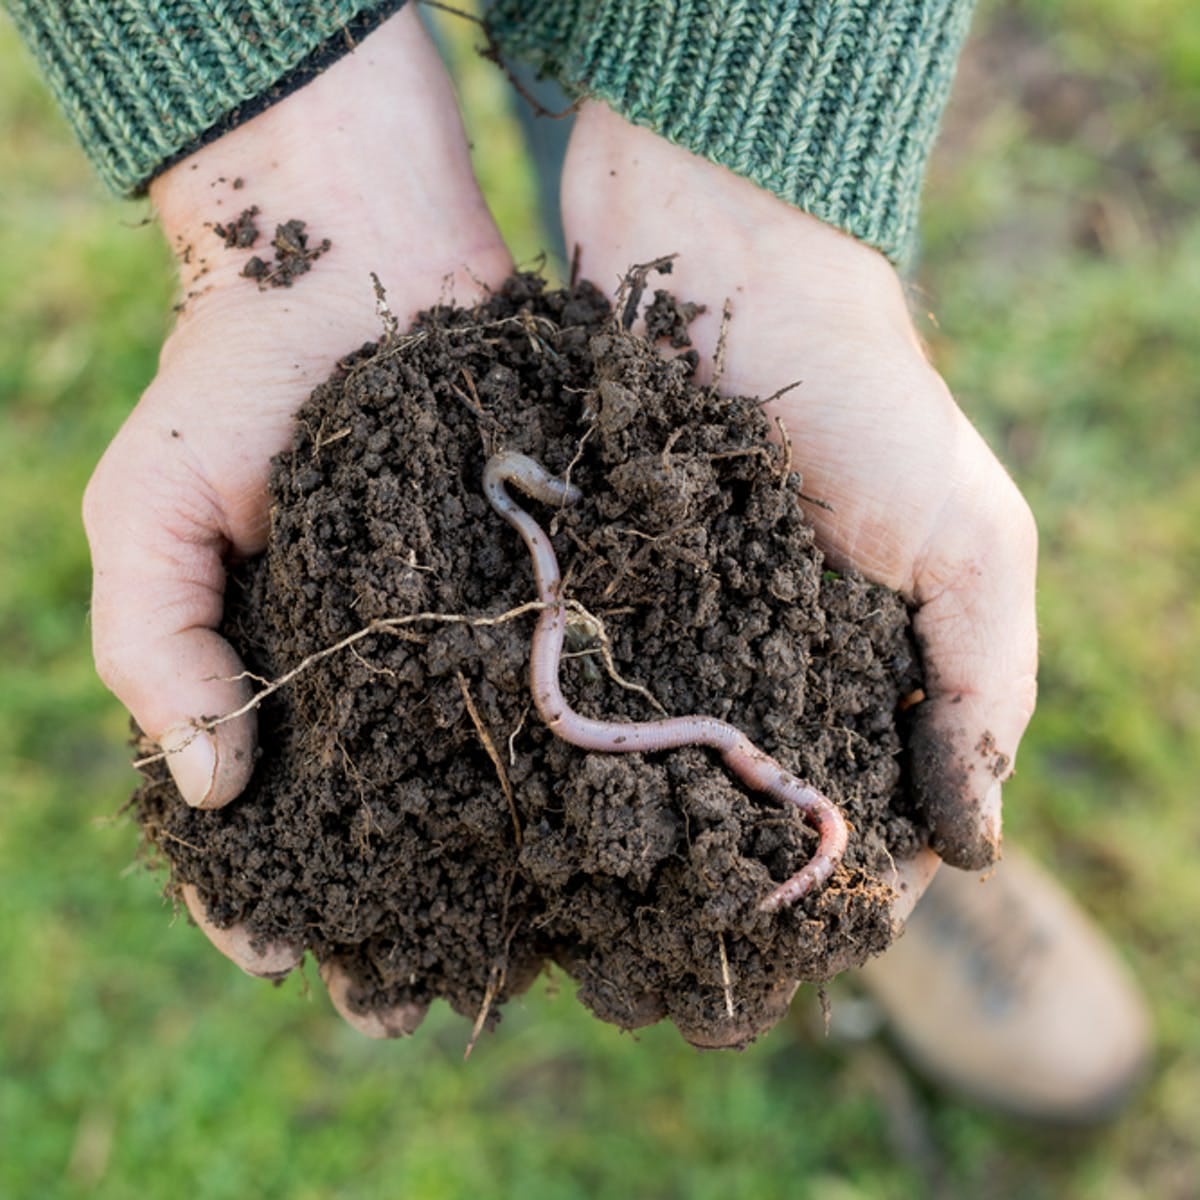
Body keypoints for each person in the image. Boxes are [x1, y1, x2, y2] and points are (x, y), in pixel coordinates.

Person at [5, 0, 1147, 1119]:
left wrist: (759, 158)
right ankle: (813, 828)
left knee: (619, 136)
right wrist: (272, 138)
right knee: (606, 177)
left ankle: (830, 822)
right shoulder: (518, 530)